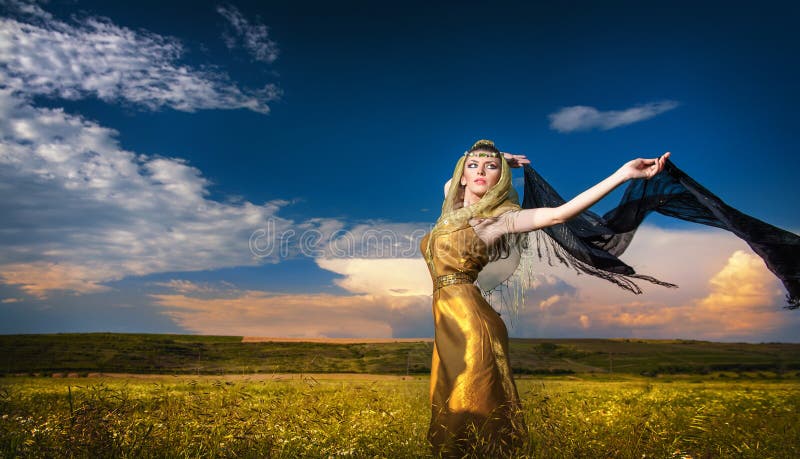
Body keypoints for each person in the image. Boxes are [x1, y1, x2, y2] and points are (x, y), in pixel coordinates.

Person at [419, 139, 669, 457]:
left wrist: (622, 174)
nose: (481, 170)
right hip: (447, 317)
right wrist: (500, 158)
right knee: (446, 397)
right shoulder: (452, 212)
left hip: (470, 321)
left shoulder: (497, 220)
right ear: (463, 174)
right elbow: (451, 182)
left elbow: (558, 216)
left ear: (502, 179)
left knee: (470, 399)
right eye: (473, 166)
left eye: (490, 167)